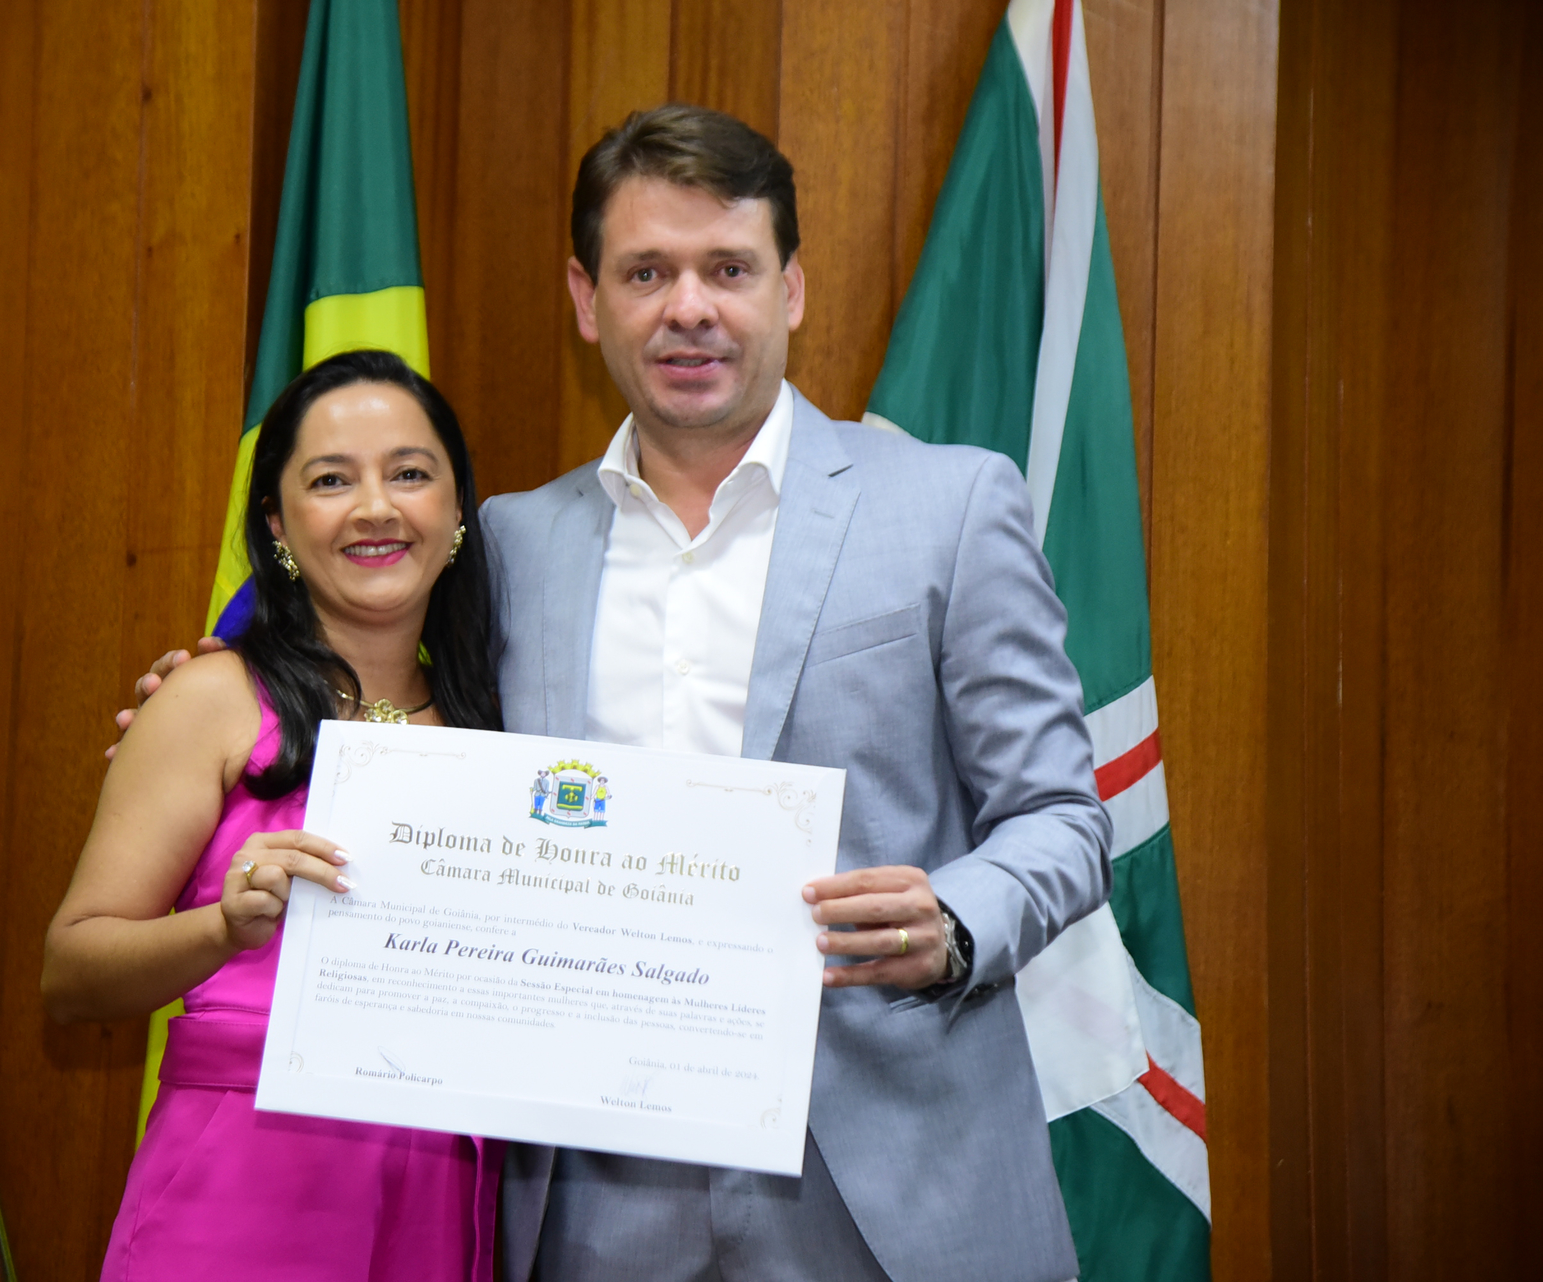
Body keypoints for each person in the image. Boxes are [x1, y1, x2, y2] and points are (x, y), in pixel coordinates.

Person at [129, 106, 1110, 1282]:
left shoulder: (950, 506)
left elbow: (1063, 817)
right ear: (587, 300)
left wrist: (952, 922)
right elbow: (369, 679)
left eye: (729, 269)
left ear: (791, 289)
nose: (689, 307)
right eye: (647, 271)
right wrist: (205, 696)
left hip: (893, 1184)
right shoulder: (510, 543)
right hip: (595, 1204)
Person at [45, 350, 504, 1282]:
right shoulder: (211, 697)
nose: (375, 508)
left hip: (442, 1187)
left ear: (457, 510)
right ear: (277, 525)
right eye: (331, 480)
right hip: (243, 1181)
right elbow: (72, 974)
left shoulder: (500, 726)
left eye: (410, 474)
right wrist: (222, 927)